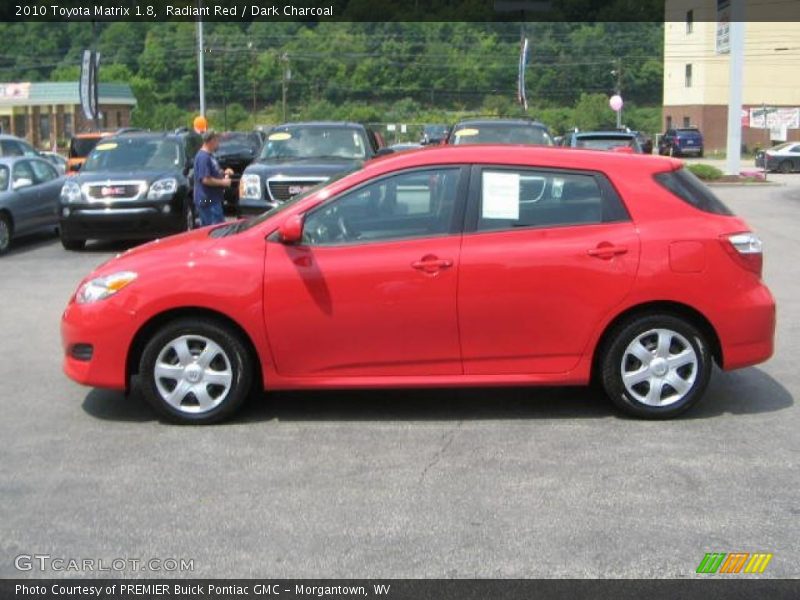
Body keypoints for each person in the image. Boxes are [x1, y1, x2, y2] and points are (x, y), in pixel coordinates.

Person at [193, 130, 233, 226]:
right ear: (211, 141)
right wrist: (223, 182)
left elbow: (214, 172)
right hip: (207, 200)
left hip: (212, 199)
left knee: (217, 225)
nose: (218, 143)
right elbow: (205, 179)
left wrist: (224, 172)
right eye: (217, 140)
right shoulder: (203, 157)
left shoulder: (210, 156)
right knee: (215, 228)